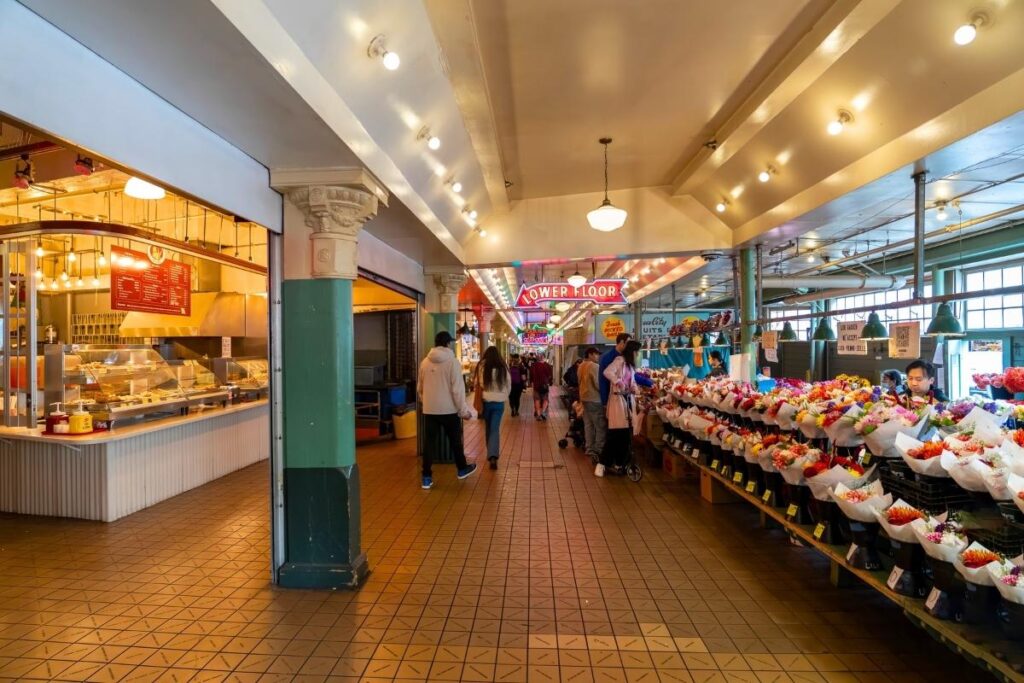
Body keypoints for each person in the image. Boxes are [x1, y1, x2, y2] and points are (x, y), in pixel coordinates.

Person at [417, 331, 478, 489]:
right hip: (449, 410)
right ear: (447, 344)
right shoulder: (452, 362)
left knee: (429, 443)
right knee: (456, 442)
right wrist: (463, 411)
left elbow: (420, 389)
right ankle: (462, 469)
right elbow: (457, 390)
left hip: (430, 410)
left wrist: (428, 403)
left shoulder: (424, 362)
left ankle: (426, 477)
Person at [596, 340, 652, 477]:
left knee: (625, 436)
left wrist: (633, 388)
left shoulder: (630, 366)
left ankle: (620, 464)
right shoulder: (619, 360)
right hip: (617, 402)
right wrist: (618, 382)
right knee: (615, 435)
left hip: (627, 401)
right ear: (632, 352)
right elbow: (607, 372)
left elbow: (632, 381)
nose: (638, 355)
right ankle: (601, 464)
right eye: (637, 352)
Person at [474, 346, 510, 470]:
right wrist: (504, 395)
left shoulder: (482, 367)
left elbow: (479, 383)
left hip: (486, 401)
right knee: (494, 428)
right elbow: (508, 384)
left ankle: (491, 454)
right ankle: (492, 455)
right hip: (499, 403)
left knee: (489, 427)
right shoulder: (503, 367)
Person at [578, 347, 605, 462]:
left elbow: (579, 381)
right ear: (590, 354)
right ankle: (598, 449)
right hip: (594, 399)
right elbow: (598, 384)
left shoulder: (581, 366)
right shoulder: (594, 366)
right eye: (596, 354)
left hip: (584, 398)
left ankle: (589, 448)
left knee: (588, 425)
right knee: (600, 426)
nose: (598, 357)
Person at [599, 333, 632, 409]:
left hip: (624, 395)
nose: (629, 347)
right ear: (621, 342)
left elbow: (631, 375)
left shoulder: (626, 357)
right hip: (613, 397)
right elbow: (603, 380)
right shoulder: (607, 358)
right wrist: (605, 401)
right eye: (628, 343)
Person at [530, 354, 554, 420]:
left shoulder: (533, 366)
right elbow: (550, 376)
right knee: (545, 399)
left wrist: (531, 383)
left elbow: (531, 376)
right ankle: (543, 412)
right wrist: (549, 382)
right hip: (545, 385)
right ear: (543, 358)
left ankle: (538, 414)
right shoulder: (547, 365)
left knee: (537, 400)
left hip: (536, 386)